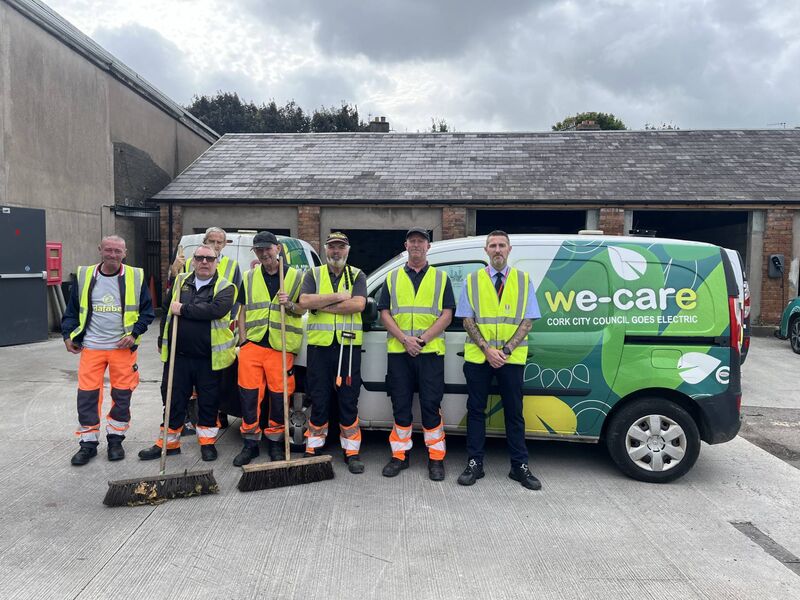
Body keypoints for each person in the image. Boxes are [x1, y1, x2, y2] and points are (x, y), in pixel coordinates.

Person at [455, 230, 543, 490]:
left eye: (501, 245)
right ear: (486, 250)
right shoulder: (472, 281)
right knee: (475, 411)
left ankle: (519, 466)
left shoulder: (523, 280)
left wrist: (504, 351)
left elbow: (528, 320)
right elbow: (466, 320)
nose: (497, 250)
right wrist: (487, 350)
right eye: (492, 245)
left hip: (511, 359)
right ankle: (474, 463)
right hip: (478, 357)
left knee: (515, 414)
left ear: (509, 249)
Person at [138, 244, 236, 462]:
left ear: (217, 261)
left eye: (209, 259)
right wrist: (162, 337)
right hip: (178, 356)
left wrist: (183, 309)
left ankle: (207, 443)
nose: (204, 262)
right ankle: (169, 443)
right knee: (173, 399)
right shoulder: (181, 281)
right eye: (200, 258)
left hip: (208, 357)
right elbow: (167, 308)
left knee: (209, 402)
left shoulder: (225, 286)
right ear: (193, 260)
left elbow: (215, 310)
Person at [62, 235, 154, 466]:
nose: (112, 255)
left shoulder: (135, 276)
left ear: (125, 253)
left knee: (122, 396)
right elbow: (72, 310)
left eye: (117, 251)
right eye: (108, 250)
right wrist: (68, 335)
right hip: (91, 347)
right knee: (87, 396)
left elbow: (147, 312)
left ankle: (115, 440)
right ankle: (88, 443)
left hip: (122, 349)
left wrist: (133, 334)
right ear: (100, 250)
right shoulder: (85, 275)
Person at [377, 228, 454, 481]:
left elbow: (447, 314)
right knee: (400, 405)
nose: (417, 245)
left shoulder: (441, 278)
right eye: (412, 241)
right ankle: (400, 456)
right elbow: (384, 312)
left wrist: (420, 340)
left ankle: (436, 459)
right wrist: (404, 339)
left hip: (429, 352)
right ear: (406, 246)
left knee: (431, 405)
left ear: (428, 247)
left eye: (421, 241)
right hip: (400, 352)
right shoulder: (392, 277)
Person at [232, 231, 306, 466]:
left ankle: (275, 443)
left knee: (279, 396)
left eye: (268, 249)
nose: (264, 253)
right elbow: (242, 309)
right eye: (259, 250)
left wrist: (290, 304)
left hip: (280, 346)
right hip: (252, 345)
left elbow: (303, 309)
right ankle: (250, 444)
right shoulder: (250, 276)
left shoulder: (296, 277)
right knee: (249, 396)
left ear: (278, 249)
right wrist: (243, 340)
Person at [297, 232, 367, 474]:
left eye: (340, 247)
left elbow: (358, 304)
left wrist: (322, 304)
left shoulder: (357, 274)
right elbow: (305, 301)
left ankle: (351, 451)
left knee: (348, 399)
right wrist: (338, 297)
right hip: (320, 348)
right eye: (332, 247)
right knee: (319, 397)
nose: (336, 251)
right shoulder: (313, 274)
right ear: (326, 249)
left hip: (347, 348)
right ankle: (313, 447)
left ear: (347, 250)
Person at [169, 226, 241, 433]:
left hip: (215, 335)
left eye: (219, 242)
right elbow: (170, 300)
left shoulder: (231, 266)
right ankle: (185, 423)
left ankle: (217, 419)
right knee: (180, 390)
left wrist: (229, 319)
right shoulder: (186, 265)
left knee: (214, 386)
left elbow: (230, 302)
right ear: (204, 243)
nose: (215, 246)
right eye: (212, 241)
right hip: (184, 344)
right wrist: (174, 270)